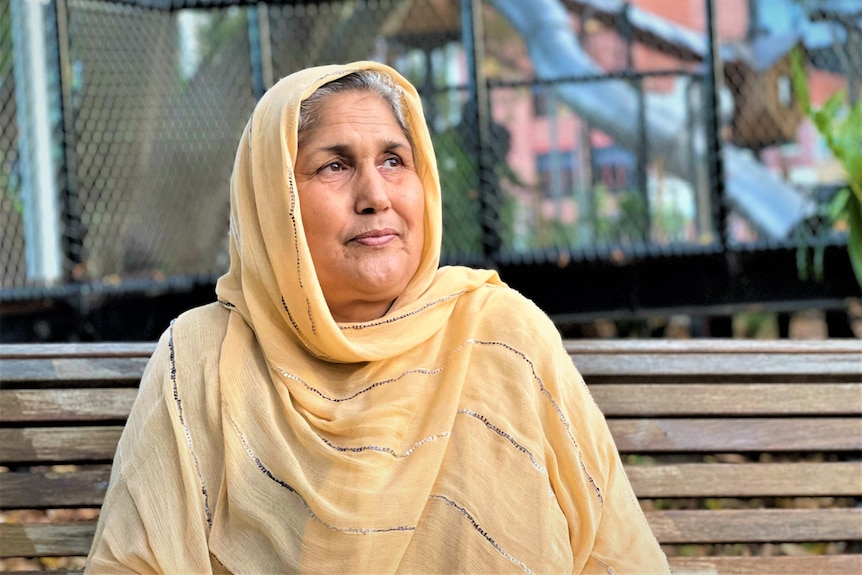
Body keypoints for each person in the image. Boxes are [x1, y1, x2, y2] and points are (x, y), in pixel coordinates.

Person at [85, 61, 669, 574]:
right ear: (273, 198)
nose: (375, 195)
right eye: (334, 166)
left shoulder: (499, 333)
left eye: (394, 160)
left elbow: (614, 552)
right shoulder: (205, 354)